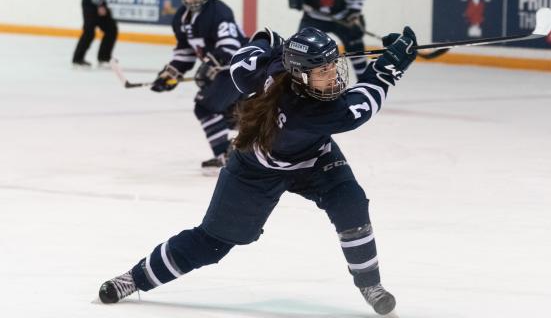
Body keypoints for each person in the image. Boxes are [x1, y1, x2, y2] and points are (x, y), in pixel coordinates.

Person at [97, 25, 419, 317]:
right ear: (301, 76)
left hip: (313, 159)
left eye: (333, 65)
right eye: (323, 70)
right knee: (211, 243)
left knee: (351, 203)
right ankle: (133, 279)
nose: (333, 75)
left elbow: (246, 55)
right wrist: (392, 64)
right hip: (255, 171)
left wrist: (275, 44)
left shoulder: (270, 71)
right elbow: (365, 101)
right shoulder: (308, 111)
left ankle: (370, 285)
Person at [149, 0, 246, 172]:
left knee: (205, 107)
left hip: (239, 69)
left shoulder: (219, 11)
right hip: (223, 71)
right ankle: (236, 153)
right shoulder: (181, 19)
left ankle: (226, 155)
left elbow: (230, 47)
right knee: (231, 116)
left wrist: (209, 64)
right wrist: (170, 74)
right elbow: (185, 52)